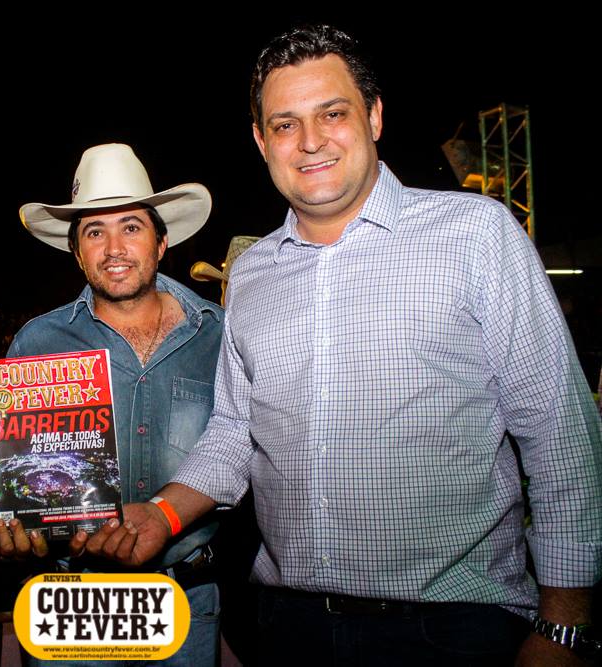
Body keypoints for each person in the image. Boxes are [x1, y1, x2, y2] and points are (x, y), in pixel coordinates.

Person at [82, 26, 602, 665]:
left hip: (454, 630)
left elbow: (560, 433)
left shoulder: (475, 236)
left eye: (332, 113)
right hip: (288, 627)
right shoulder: (252, 273)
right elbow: (235, 433)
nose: (310, 141)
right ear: (261, 141)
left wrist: (564, 623)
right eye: (285, 124)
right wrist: (162, 514)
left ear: (374, 116)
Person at [0, 143, 224, 666]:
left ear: (161, 242)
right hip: (69, 596)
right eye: (95, 232)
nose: (114, 248)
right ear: (77, 252)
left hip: (183, 594)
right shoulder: (37, 344)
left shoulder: (219, 336)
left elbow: (242, 453)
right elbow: (19, 479)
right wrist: (12, 525)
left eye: (131, 227)